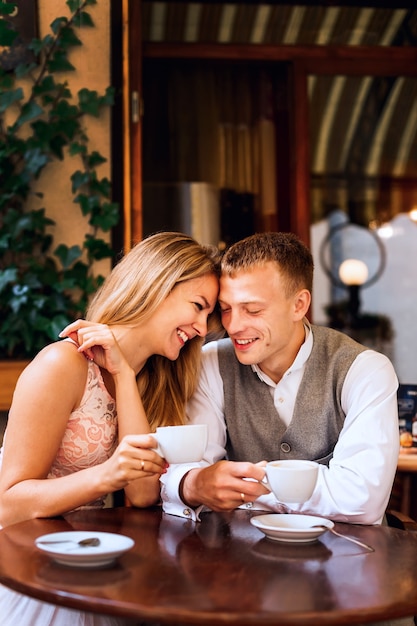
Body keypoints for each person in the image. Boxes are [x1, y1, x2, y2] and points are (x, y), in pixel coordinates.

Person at [161, 231, 410, 626]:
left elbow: (362, 501)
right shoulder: (212, 363)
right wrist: (195, 483)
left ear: (299, 304)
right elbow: (189, 476)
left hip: (352, 584)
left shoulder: (364, 369)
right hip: (239, 577)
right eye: (225, 309)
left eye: (252, 310)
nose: (234, 326)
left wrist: (242, 486)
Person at [0, 231, 221, 626]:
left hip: (91, 557)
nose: (203, 328)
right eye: (198, 306)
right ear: (156, 285)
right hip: (30, 563)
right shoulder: (62, 365)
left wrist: (122, 373)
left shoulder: (154, 378)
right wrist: (107, 474)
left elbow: (140, 493)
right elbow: (9, 503)